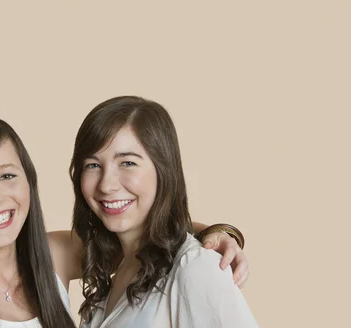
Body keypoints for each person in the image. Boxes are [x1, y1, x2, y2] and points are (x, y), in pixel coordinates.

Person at [0, 112, 250, 328]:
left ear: (29, 181)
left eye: (8, 175)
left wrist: (217, 233)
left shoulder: (51, 258)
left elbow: (139, 228)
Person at [70, 96, 257, 327]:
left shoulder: (196, 268)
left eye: (127, 163)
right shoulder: (113, 271)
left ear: (163, 170)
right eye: (93, 165)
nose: (106, 185)